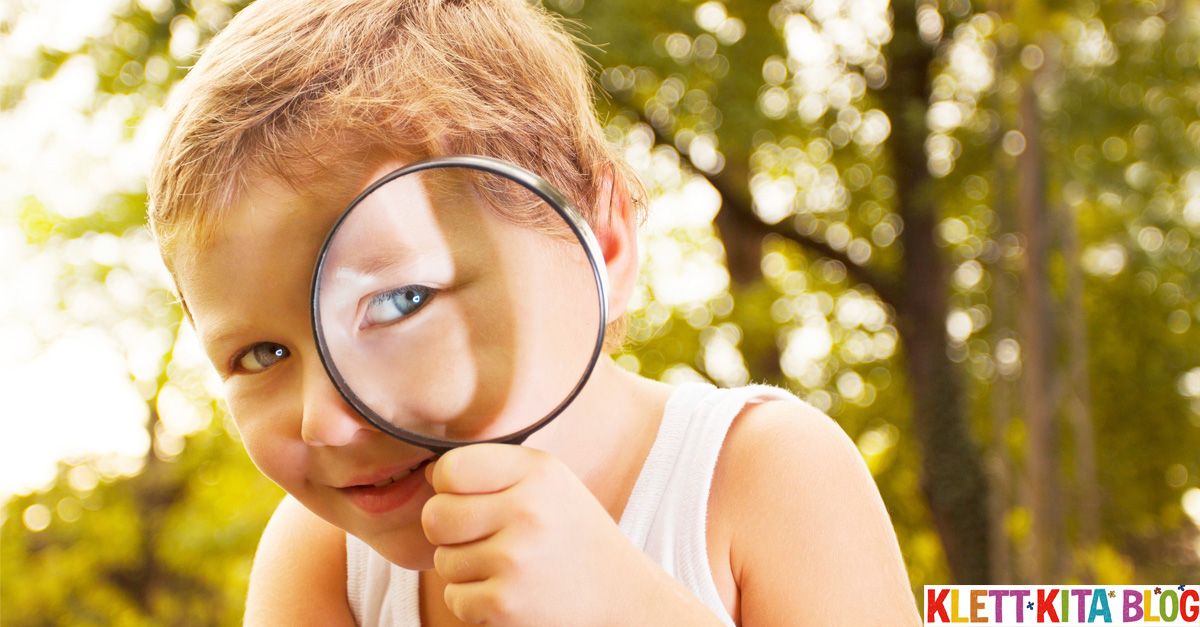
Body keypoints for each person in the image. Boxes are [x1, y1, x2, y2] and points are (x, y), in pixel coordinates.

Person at [147, 0, 921, 624]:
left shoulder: (763, 473)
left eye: (399, 302)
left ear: (603, 244)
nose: (324, 420)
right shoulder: (323, 560)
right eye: (262, 355)